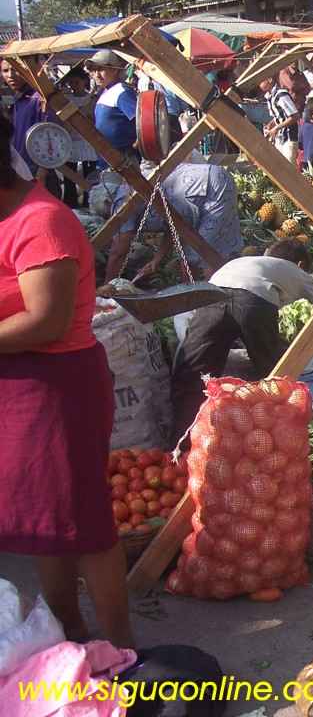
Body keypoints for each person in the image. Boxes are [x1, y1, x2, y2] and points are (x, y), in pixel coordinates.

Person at [0, 113, 133, 647]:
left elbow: (46, 320)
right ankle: (69, 632)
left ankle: (122, 646)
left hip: (56, 388)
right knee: (45, 521)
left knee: (84, 520)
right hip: (16, 383)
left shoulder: (41, 222)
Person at [170, 238, 313, 439]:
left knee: (193, 371)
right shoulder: (298, 272)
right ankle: (275, 433)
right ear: (301, 264)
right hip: (253, 300)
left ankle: (181, 441)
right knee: (273, 374)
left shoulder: (244, 262)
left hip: (212, 298)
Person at [105, 161, 243, 283]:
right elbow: (173, 224)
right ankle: (211, 291)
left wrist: (106, 289)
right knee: (208, 250)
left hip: (206, 187)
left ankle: (211, 295)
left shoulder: (121, 202)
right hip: (209, 181)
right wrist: (156, 260)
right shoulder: (128, 190)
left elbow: (119, 251)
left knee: (199, 255)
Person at [2, 58, 60, 196]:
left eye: (15, 70)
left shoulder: (40, 98)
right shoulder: (18, 99)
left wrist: (42, 173)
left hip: (38, 175)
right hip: (20, 171)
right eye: (5, 70)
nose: (10, 75)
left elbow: (51, 136)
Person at [86, 50, 138, 170]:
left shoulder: (122, 92)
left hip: (123, 163)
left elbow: (141, 123)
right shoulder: (105, 92)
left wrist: (134, 148)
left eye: (101, 69)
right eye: (94, 70)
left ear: (114, 70)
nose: (96, 75)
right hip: (108, 161)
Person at [58, 67, 98, 207]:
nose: (73, 86)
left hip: (88, 143)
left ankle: (90, 202)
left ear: (84, 81)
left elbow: (94, 120)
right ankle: (70, 202)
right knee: (69, 176)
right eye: (71, 83)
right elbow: (64, 121)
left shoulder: (91, 99)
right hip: (70, 142)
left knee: (90, 176)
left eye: (76, 82)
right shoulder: (67, 100)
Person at [261, 74, 301, 164]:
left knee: (289, 167)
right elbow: (279, 117)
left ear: (269, 79)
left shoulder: (281, 94)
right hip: (279, 138)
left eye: (261, 81)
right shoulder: (269, 97)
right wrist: (271, 124)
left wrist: (276, 128)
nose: (259, 85)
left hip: (289, 138)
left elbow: (294, 116)